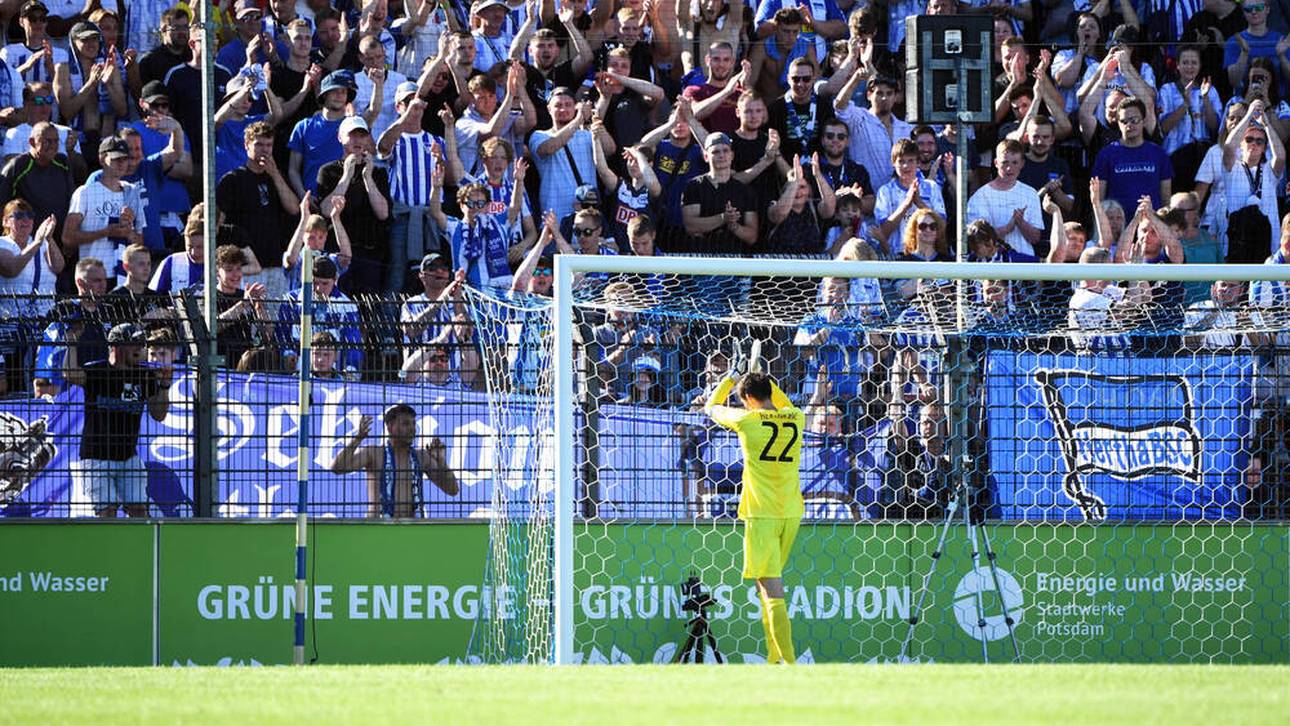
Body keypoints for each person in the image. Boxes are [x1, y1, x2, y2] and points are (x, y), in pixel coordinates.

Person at [704, 369, 804, 665]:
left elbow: (711, 407)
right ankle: (773, 657)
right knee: (765, 585)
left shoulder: (747, 420)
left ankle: (789, 663)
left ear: (747, 399)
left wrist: (730, 380)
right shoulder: (796, 417)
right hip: (791, 513)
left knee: (772, 587)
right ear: (770, 392)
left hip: (762, 515)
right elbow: (781, 402)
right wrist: (763, 380)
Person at [64, 322, 173, 518]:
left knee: (139, 511)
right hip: (96, 458)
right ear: (117, 347)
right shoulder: (97, 371)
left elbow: (159, 415)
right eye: (135, 344)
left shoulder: (144, 375)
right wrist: (71, 343)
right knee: (107, 513)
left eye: (141, 345)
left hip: (128, 457)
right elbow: (70, 373)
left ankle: (140, 548)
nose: (141, 350)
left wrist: (164, 386)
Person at [330, 404, 460, 519]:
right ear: (390, 427)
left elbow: (452, 490)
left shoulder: (421, 457)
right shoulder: (374, 453)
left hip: (412, 528)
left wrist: (442, 462)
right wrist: (357, 439)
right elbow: (337, 468)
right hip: (378, 527)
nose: (412, 429)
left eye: (414, 424)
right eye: (405, 424)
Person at [62, 137, 144, 287]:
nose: (121, 163)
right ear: (102, 159)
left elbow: (140, 241)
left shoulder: (131, 192)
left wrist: (128, 233)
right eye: (115, 159)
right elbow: (67, 238)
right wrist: (105, 232)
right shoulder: (85, 192)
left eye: (125, 159)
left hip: (123, 277)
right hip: (92, 275)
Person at [966, 139, 1044, 257]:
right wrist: (1007, 228)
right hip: (993, 266)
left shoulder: (1031, 193)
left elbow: (1035, 238)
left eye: (1014, 163)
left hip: (1024, 264)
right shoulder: (980, 196)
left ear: (1022, 164)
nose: (1009, 168)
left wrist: (1021, 223)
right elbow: (978, 239)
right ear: (996, 163)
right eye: (1005, 163)